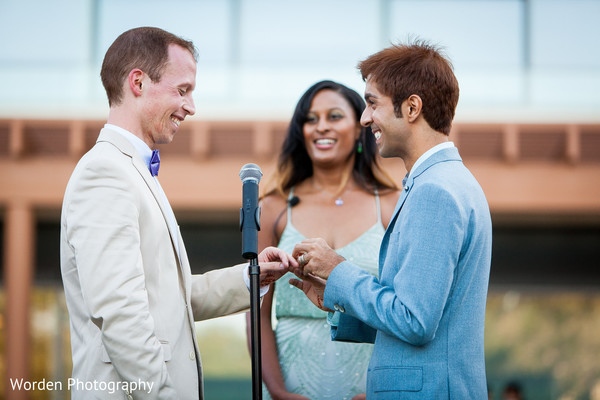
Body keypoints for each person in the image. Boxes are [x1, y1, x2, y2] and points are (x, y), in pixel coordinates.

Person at [60, 27, 296, 400]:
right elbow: (120, 313)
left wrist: (254, 279)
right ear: (137, 82)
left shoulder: (135, 172)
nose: (191, 106)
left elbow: (172, 298)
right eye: (182, 90)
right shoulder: (104, 173)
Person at [290, 40, 493, 398]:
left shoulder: (436, 192)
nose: (366, 118)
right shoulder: (440, 182)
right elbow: (424, 320)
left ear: (412, 107)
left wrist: (338, 271)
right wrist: (337, 300)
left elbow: (415, 321)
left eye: (372, 103)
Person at [246, 80, 400, 400]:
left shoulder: (391, 204)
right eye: (311, 119)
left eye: (334, 116)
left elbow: (404, 312)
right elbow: (255, 312)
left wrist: (380, 392)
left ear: (360, 128)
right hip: (289, 385)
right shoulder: (274, 207)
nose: (320, 127)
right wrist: (276, 391)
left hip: (370, 389)